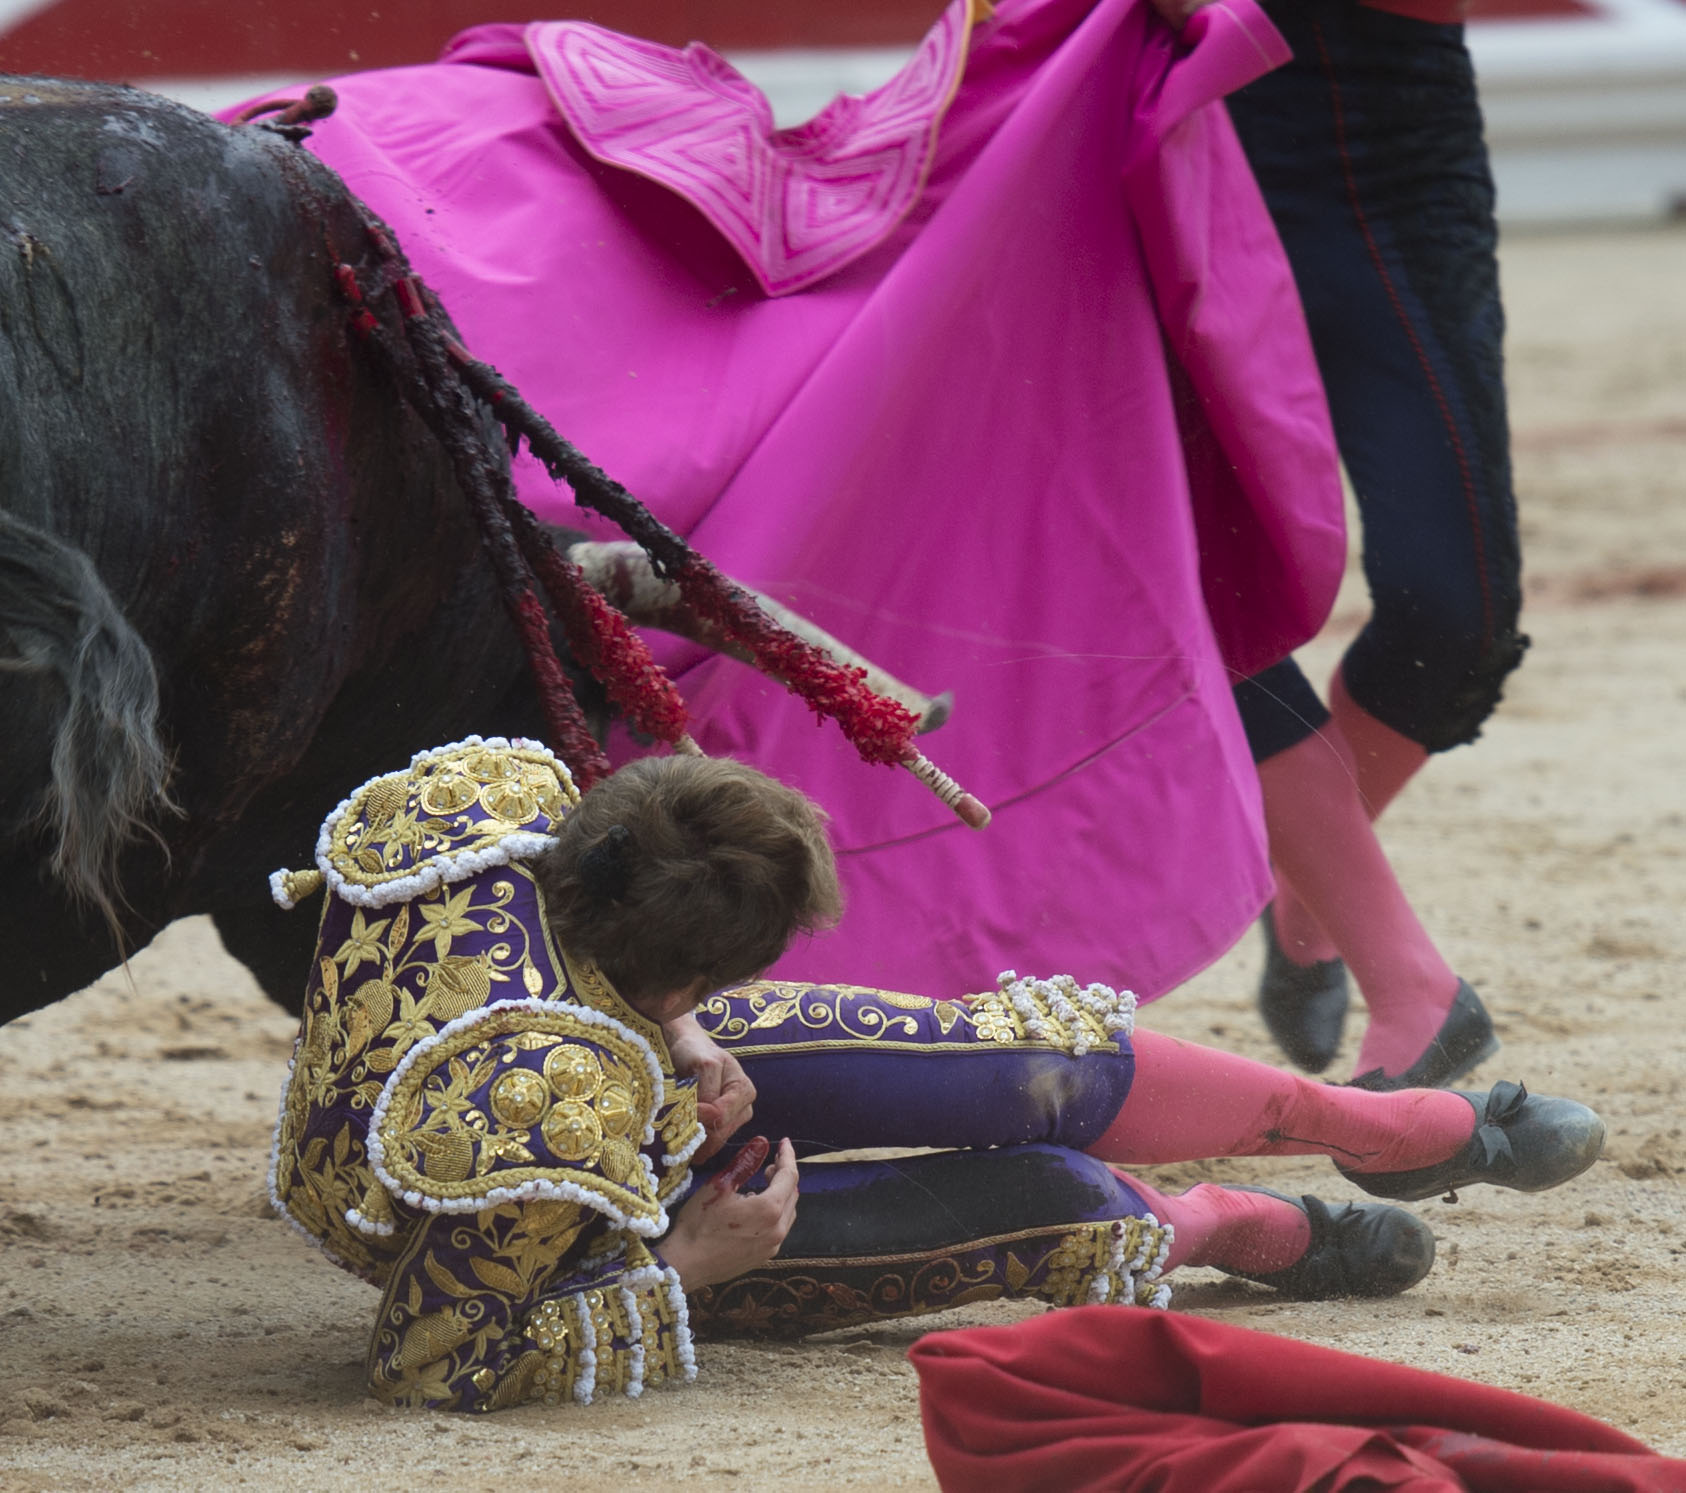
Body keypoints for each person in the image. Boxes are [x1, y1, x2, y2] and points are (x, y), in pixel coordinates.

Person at [266, 737, 1602, 1411]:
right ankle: (1232, 1225)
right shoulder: (542, 1112)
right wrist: (684, 1262)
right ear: (691, 968)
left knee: (1021, 1061)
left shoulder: (487, 810)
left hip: (584, 1040)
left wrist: (677, 1032)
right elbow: (432, 1356)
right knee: (1039, 1200)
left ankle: (1365, 1119)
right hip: (549, 1215)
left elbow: (566, 947)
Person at [1220, 0, 1527, 1088]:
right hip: (1166, 119)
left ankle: (1308, 899)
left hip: (1397, 125)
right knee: (1189, 585)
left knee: (1458, 613)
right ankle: (1409, 979)